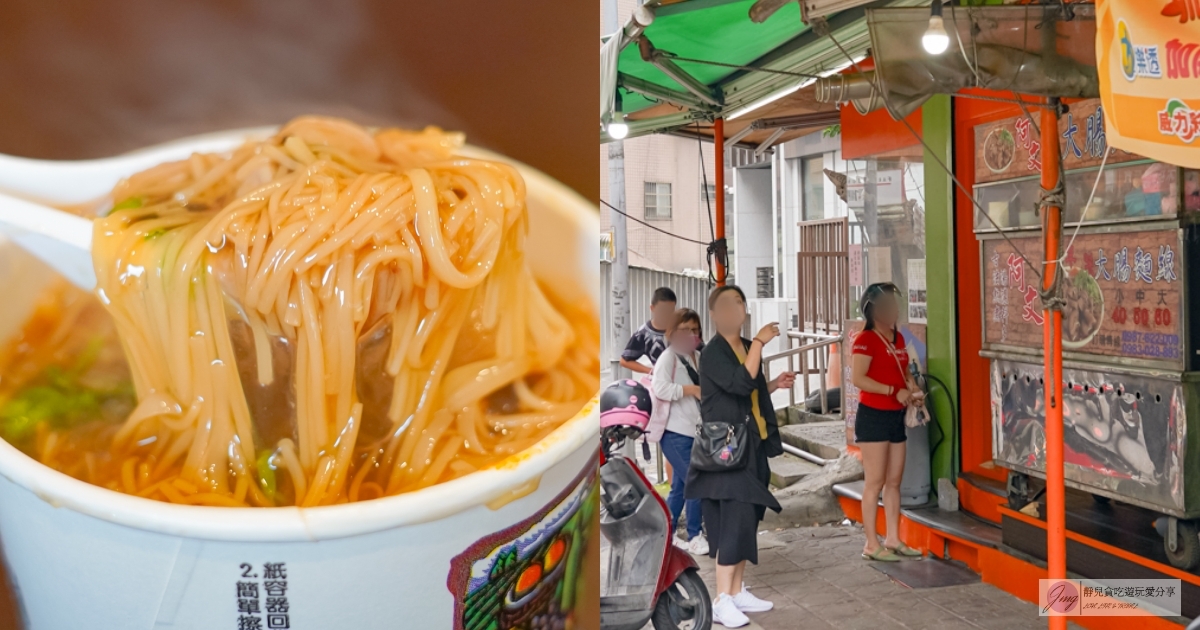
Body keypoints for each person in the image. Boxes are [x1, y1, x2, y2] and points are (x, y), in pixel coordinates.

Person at [688, 284, 794, 629]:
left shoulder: (747, 347)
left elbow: (753, 390)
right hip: (726, 451)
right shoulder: (714, 352)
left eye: (738, 304)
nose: (733, 311)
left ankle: (736, 591)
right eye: (725, 306)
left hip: (753, 445)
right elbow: (737, 385)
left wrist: (775, 383)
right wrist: (761, 343)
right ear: (715, 315)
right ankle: (721, 599)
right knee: (732, 519)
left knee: (748, 517)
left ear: (744, 311)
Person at [850, 282, 924, 563]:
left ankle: (893, 538)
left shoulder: (898, 337)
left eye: (895, 303)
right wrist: (894, 391)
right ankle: (871, 543)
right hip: (873, 416)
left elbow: (905, 371)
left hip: (896, 415)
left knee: (894, 482)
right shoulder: (865, 339)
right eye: (887, 304)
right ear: (872, 309)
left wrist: (912, 389)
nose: (894, 309)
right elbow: (859, 379)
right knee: (875, 482)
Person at [650, 308, 707, 555]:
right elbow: (660, 388)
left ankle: (666, 535)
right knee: (697, 481)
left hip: (694, 431)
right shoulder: (668, 357)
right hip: (674, 433)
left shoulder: (698, 356)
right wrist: (690, 390)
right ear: (673, 332)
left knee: (682, 486)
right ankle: (694, 534)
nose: (691, 334)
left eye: (695, 330)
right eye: (685, 330)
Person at [619, 286, 677, 374]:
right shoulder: (643, 333)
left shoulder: (681, 327)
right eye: (663, 310)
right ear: (652, 308)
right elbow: (624, 361)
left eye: (670, 310)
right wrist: (652, 371)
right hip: (663, 383)